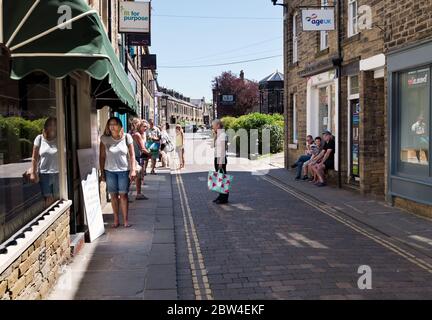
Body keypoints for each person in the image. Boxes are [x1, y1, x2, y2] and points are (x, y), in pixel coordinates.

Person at [99, 117, 136, 228]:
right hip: (109, 171)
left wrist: (133, 169)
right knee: (113, 196)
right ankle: (116, 220)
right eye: (110, 124)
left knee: (123, 195)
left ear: (120, 126)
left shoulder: (127, 137)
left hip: (124, 171)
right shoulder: (104, 139)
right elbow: (101, 157)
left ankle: (125, 220)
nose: (112, 126)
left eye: (114, 124)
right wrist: (102, 173)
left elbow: (132, 155)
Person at [30, 117, 59, 208]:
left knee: (58, 200)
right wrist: (33, 173)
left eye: (54, 125)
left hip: (58, 174)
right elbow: (34, 158)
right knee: (48, 200)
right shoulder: (39, 138)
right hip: (44, 174)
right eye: (50, 125)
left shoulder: (61, 138)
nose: (52, 127)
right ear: (46, 126)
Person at [131, 118, 149, 200]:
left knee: (137, 176)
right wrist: (151, 154)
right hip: (135, 157)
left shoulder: (133, 133)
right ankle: (137, 194)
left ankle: (138, 193)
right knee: (135, 176)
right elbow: (142, 149)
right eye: (143, 126)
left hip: (135, 157)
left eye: (146, 127)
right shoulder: (137, 135)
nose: (145, 128)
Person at [212, 119, 229, 204]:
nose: (212, 127)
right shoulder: (219, 135)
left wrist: (221, 162)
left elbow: (223, 150)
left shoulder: (223, 135)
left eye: (213, 125)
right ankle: (220, 196)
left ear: (218, 125)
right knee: (219, 179)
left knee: (222, 179)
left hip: (220, 159)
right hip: (217, 158)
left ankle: (224, 198)